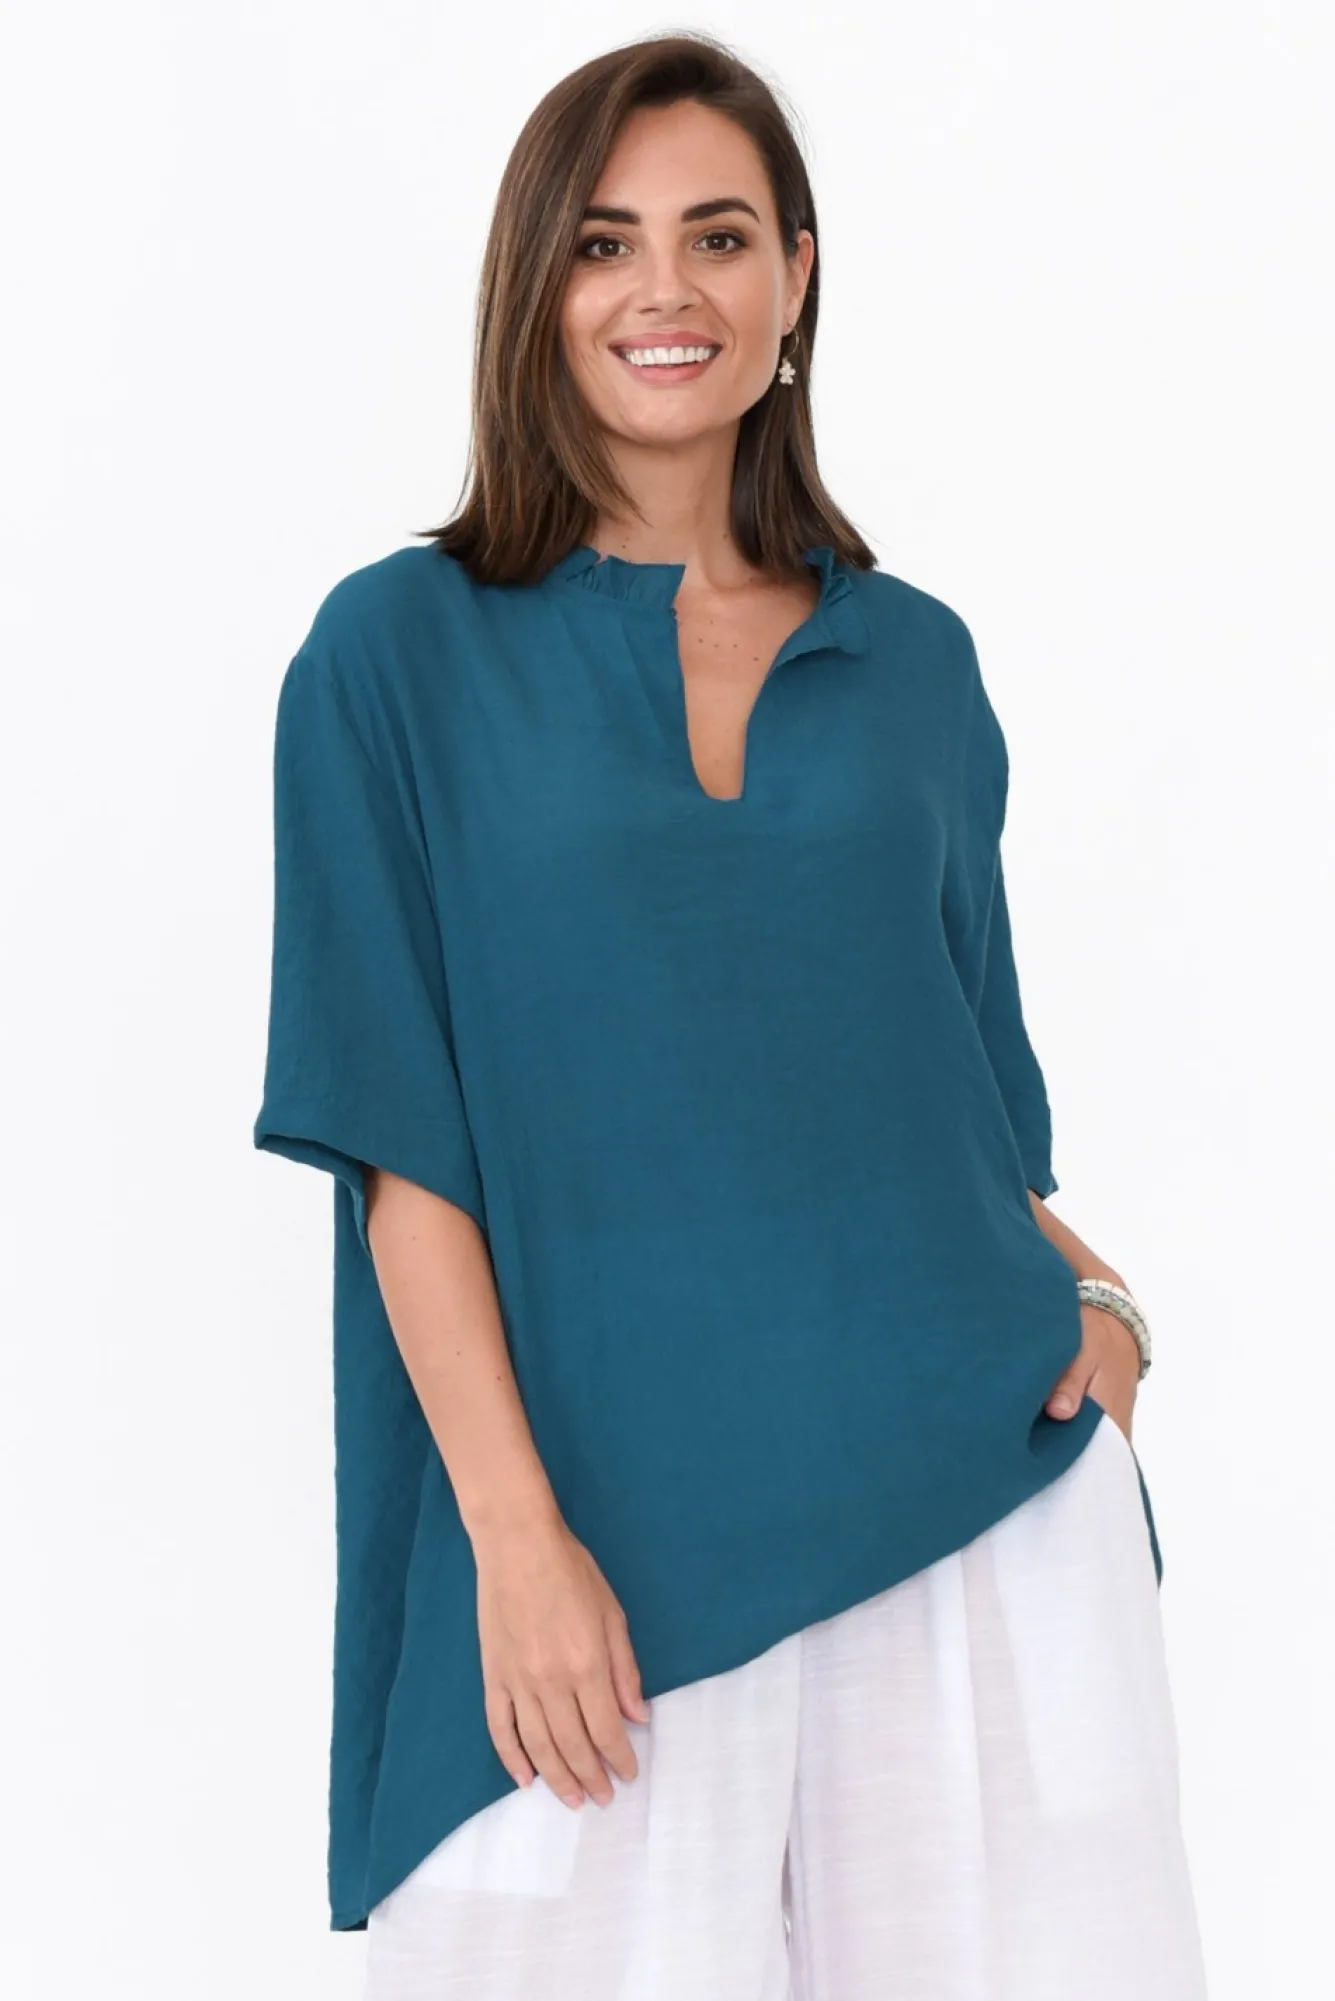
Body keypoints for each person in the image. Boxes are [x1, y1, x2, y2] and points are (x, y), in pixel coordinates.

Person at [253, 29, 1210, 1999]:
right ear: (536, 286)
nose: (662, 289)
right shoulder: (393, 656)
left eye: (716, 235)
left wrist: (1108, 1312)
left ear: (794, 278)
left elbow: (959, 1125)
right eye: (603, 243)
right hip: (598, 1575)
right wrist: (514, 1540)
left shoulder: (916, 664)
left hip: (978, 1528)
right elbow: (400, 1151)